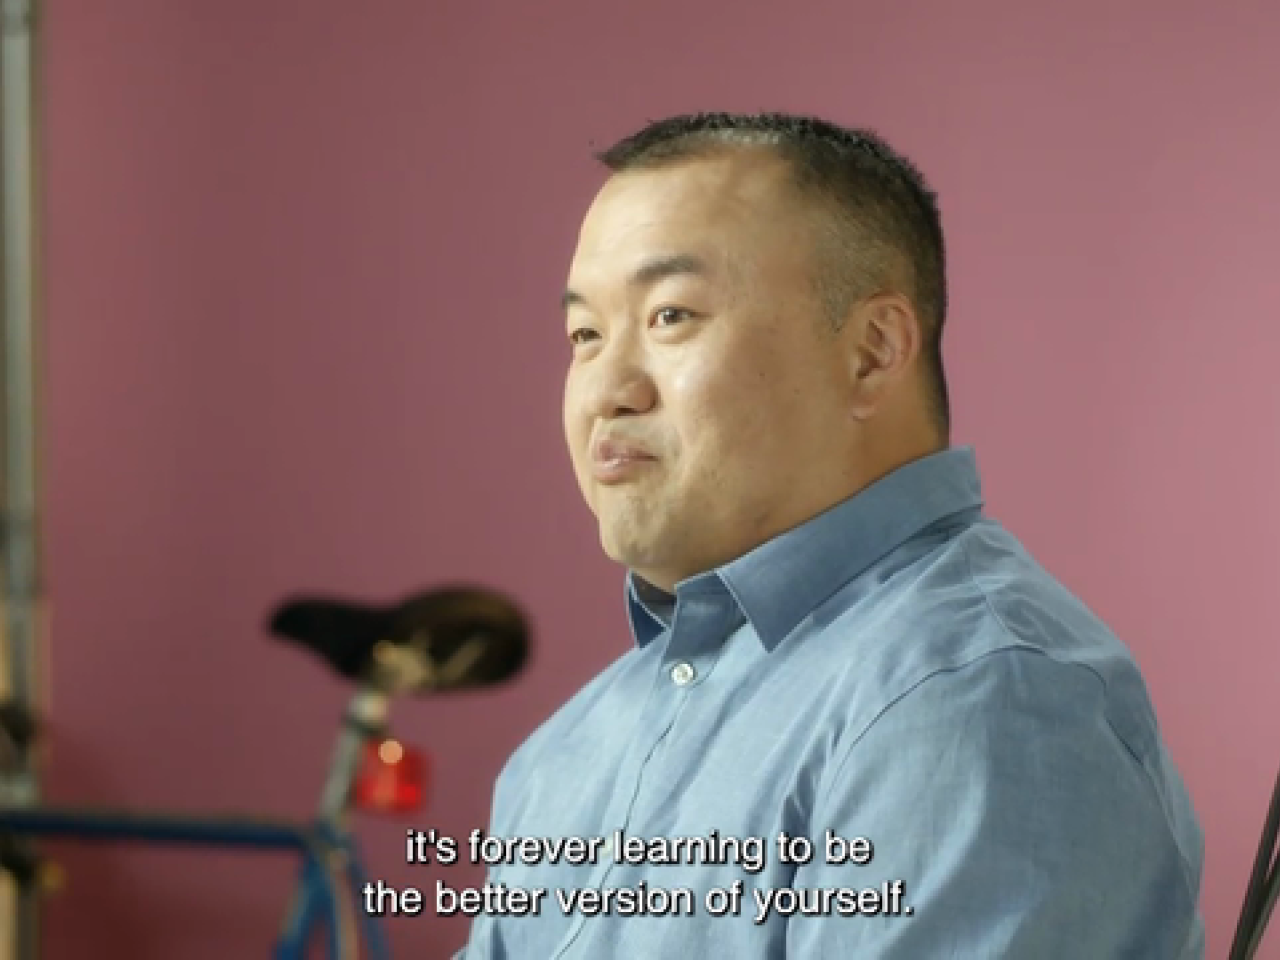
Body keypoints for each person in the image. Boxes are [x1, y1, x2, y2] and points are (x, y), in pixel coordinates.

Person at [458, 112, 1205, 958]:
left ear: (872, 352)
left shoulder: (972, 695)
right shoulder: (564, 754)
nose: (605, 391)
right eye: (585, 335)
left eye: (670, 315)